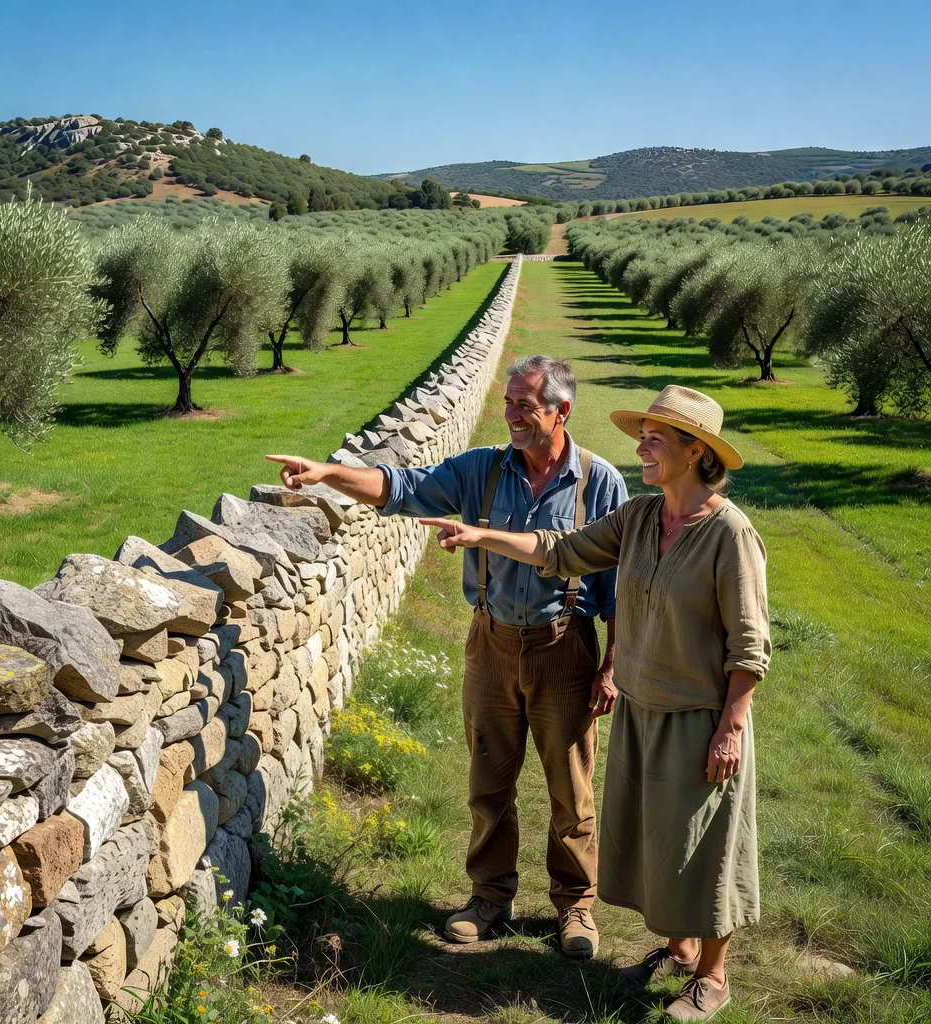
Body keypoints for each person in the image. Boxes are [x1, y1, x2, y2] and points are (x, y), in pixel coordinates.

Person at [419, 384, 770, 1022]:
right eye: (643, 436)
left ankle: (714, 977)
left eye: (654, 439)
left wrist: (730, 728)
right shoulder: (640, 517)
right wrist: (482, 535)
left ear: (696, 453)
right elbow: (560, 552)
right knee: (664, 840)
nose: (640, 447)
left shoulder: (729, 534)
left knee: (706, 845)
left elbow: (749, 646)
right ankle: (680, 950)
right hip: (642, 711)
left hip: (700, 718)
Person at [267, 355, 628, 958]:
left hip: (565, 647)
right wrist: (329, 473)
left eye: (525, 406)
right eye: (509, 403)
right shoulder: (483, 471)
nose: (512, 415)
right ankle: (490, 896)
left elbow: (619, 588)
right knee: (489, 780)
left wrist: (613, 664)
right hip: (489, 644)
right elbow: (400, 489)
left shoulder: (601, 483)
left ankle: (576, 907)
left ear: (562, 412)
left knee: (571, 788)